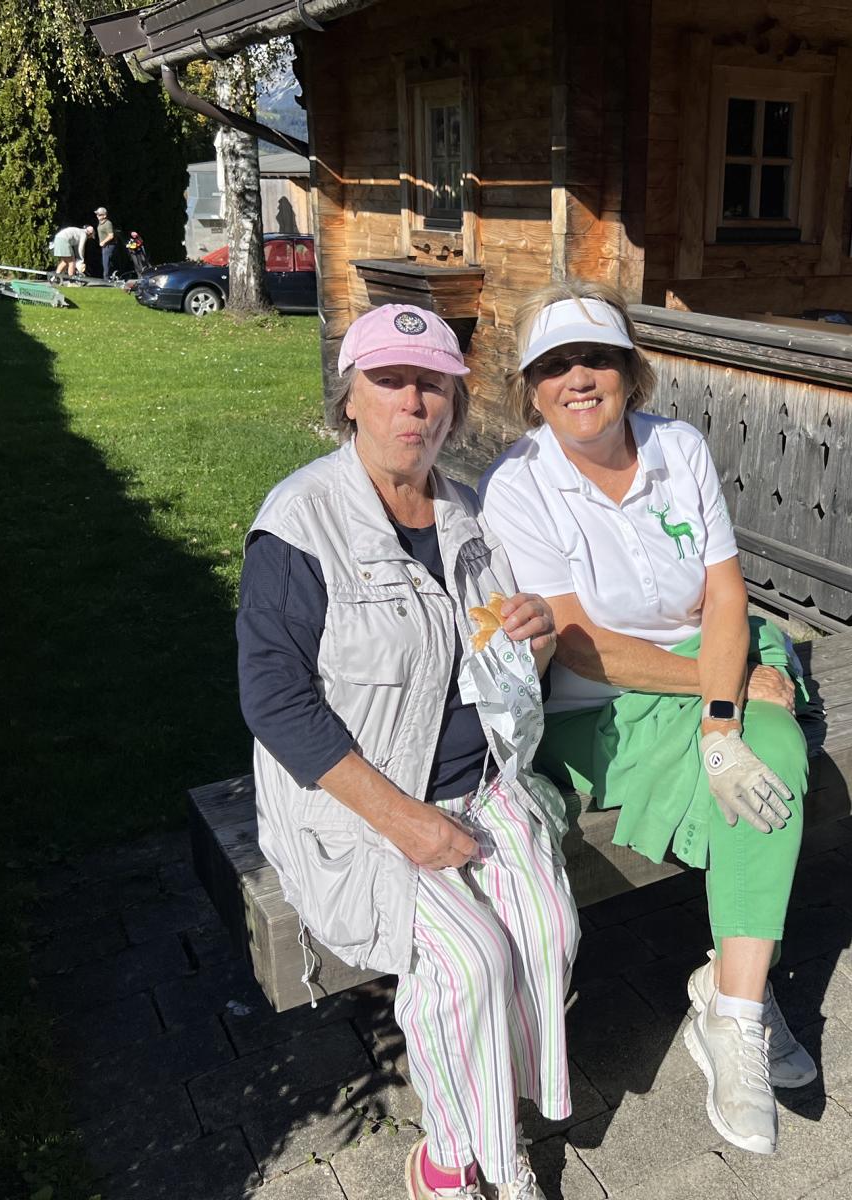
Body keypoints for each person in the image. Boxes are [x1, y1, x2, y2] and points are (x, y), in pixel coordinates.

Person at [238, 304, 578, 1200]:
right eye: (389, 381)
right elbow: (274, 700)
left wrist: (534, 639)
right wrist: (410, 825)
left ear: (454, 406)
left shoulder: (466, 513)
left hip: (479, 785)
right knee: (471, 963)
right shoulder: (301, 524)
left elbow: (499, 671)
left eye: (433, 385)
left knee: (548, 931)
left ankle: (491, 1112)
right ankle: (454, 1160)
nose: (413, 403)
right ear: (349, 398)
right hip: (361, 810)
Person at [480, 281, 815, 1157]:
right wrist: (728, 683)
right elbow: (580, 646)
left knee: (765, 755)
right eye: (554, 365)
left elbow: (726, 593)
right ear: (529, 388)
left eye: (596, 357)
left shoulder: (679, 446)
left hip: (709, 665)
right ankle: (739, 993)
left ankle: (733, 1006)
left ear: (631, 371)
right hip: (599, 705)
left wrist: (720, 716)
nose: (578, 378)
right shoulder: (517, 485)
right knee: (773, 756)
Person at [95, 206, 117, 278]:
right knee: (105, 263)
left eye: (99, 214)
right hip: (104, 247)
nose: (97, 216)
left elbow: (111, 235)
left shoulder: (108, 223)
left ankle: (107, 280)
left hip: (109, 246)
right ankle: (109, 278)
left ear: (104, 215)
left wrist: (103, 242)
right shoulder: (100, 223)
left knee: (106, 263)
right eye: (97, 214)